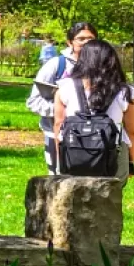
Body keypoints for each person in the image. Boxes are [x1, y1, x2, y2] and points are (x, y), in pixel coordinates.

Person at [50, 38, 134, 178]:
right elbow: (132, 132)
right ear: (112, 60)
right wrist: (131, 163)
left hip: (74, 154)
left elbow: (58, 125)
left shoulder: (65, 88)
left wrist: (60, 159)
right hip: (113, 158)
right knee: (110, 197)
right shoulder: (125, 92)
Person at [26, 22, 96, 173]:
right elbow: (34, 102)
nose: (86, 43)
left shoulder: (103, 66)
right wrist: (63, 111)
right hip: (58, 135)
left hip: (95, 136)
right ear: (70, 42)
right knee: (59, 179)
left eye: (90, 39)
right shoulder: (56, 65)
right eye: (81, 39)